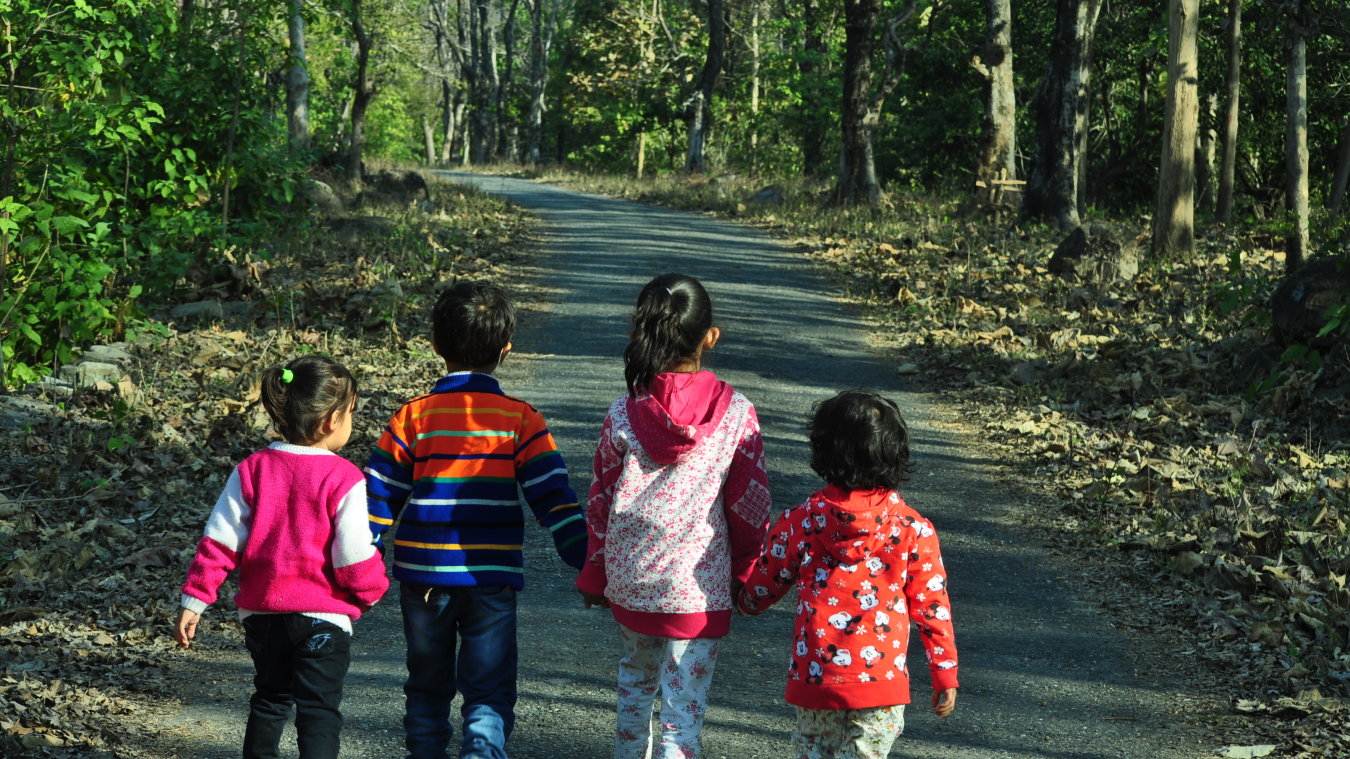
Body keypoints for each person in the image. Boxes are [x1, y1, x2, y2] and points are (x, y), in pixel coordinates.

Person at [364, 281, 587, 759]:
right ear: (505, 351)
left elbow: (379, 495)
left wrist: (360, 557)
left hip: (422, 578)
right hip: (491, 577)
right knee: (488, 687)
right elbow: (552, 492)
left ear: (436, 347)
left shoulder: (413, 417)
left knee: (427, 682)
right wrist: (582, 552)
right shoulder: (519, 419)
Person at [577, 272, 772, 759]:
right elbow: (750, 505)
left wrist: (595, 571)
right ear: (710, 337)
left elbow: (600, 498)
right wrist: (747, 572)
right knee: (682, 716)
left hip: (631, 576)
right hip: (696, 588)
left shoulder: (623, 412)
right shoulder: (738, 415)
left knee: (635, 683)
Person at [175, 354, 389, 759]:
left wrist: (196, 599)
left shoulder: (252, 469)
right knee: (319, 711)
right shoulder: (344, 477)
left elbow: (220, 540)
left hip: (263, 618)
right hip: (323, 620)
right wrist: (372, 590)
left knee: (270, 700)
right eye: (350, 414)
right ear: (330, 421)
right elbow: (353, 557)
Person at [736, 390, 959, 759]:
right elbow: (932, 606)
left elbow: (768, 579)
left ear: (823, 450)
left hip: (815, 678)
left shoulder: (801, 520)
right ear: (895, 453)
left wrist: (744, 600)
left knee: (814, 751)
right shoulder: (913, 529)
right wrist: (944, 672)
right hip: (881, 684)